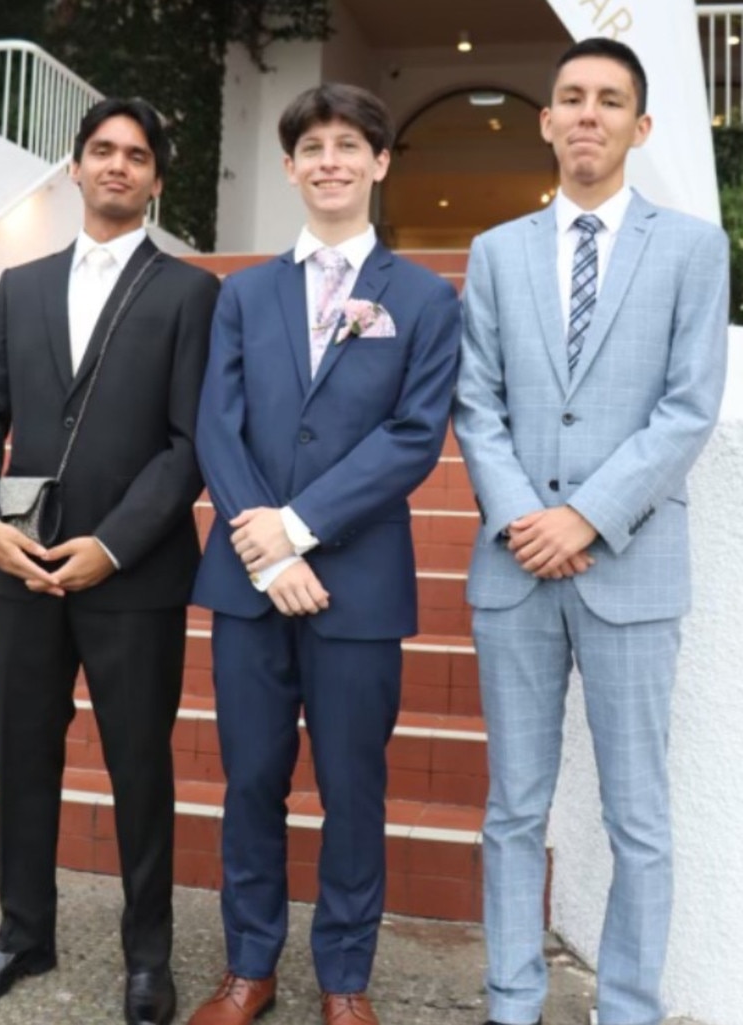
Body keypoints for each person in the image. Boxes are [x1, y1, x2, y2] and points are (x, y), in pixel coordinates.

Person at [453, 38, 729, 1025]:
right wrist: (529, 517)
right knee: (513, 808)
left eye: (609, 100)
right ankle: (513, 999)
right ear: (546, 119)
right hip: (515, 567)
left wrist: (585, 516)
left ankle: (627, 1006)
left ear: (638, 126)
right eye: (570, 97)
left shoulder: (694, 248)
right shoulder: (495, 252)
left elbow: (688, 407)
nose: (587, 114)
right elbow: (475, 401)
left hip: (631, 563)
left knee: (638, 816)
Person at [187, 83, 460, 1025]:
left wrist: (295, 529)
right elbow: (217, 427)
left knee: (353, 786)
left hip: (358, 585)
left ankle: (345, 978)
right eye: (314, 147)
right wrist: (264, 551)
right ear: (293, 166)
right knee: (252, 778)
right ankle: (247, 967)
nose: (332, 160)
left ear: (380, 164)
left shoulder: (423, 298)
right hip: (248, 583)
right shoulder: (245, 293)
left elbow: (413, 437)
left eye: (351, 145)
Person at [0, 97, 219, 1025]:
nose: (117, 164)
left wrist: (112, 545)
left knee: (139, 768)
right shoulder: (21, 284)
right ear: (75, 168)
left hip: (134, 578)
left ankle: (147, 955)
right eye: (101, 150)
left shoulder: (192, 293)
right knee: (21, 759)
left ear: (156, 179)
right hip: (19, 567)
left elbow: (189, 442)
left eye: (137, 155)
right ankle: (22, 932)